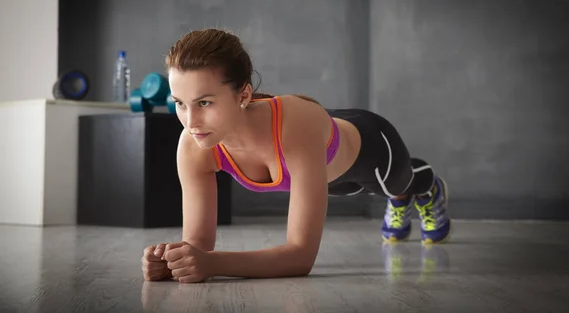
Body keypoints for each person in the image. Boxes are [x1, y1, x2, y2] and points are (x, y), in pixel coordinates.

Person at [141, 28, 451, 283]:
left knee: (398, 185)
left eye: (204, 103)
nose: (190, 121)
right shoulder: (193, 145)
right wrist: (173, 261)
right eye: (179, 103)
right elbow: (199, 246)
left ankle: (427, 187)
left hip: (371, 150)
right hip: (321, 169)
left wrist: (211, 265)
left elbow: (301, 256)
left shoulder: (295, 127)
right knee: (344, 185)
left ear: (244, 95)